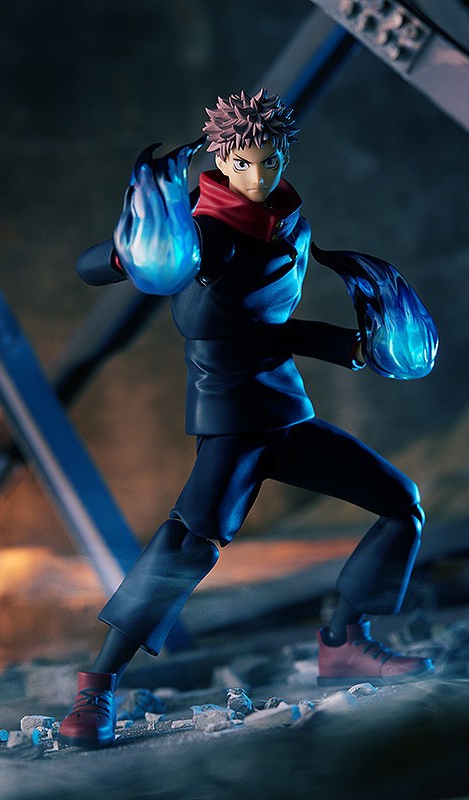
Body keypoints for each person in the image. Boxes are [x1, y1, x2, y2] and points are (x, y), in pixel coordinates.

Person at [59, 89, 433, 749]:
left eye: (269, 162)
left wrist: (352, 347)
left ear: (284, 155)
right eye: (242, 165)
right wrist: (128, 249)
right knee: (187, 547)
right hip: (231, 419)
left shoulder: (289, 225)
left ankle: (344, 642)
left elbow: (272, 328)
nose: (257, 177)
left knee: (401, 503)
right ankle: (96, 687)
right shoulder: (202, 233)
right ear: (221, 161)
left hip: (284, 412)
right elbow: (91, 267)